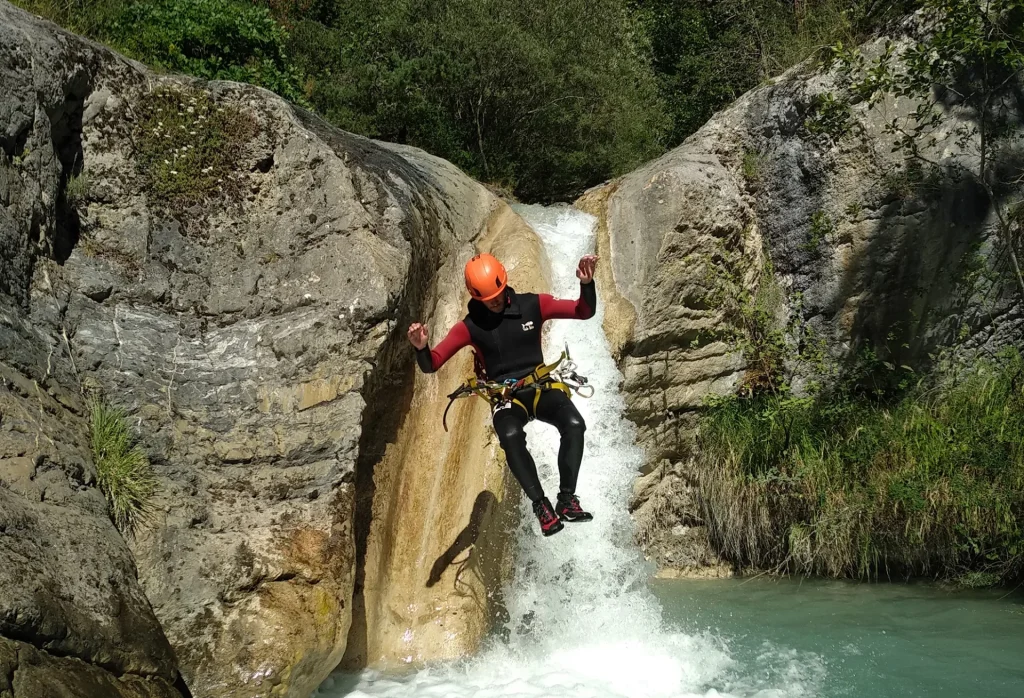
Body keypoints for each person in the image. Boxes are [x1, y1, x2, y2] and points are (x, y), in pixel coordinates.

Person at [407, 252, 599, 536]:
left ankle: (567, 499)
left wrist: (586, 284)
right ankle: (541, 506)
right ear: (475, 296)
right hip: (507, 398)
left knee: (574, 424)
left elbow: (583, 311)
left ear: (505, 283)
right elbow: (432, 364)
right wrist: (421, 347)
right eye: (488, 299)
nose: (495, 301)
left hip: (539, 387)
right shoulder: (469, 326)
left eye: (497, 295)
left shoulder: (534, 304)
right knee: (510, 436)